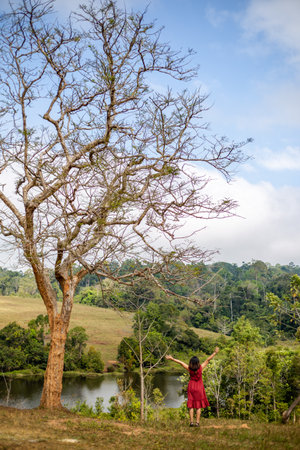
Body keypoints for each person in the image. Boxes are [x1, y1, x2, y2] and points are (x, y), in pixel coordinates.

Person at [165, 347, 219, 427]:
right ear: (198, 363)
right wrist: (215, 352)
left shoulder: (189, 369)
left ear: (191, 363)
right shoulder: (200, 368)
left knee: (191, 405)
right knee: (198, 406)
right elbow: (208, 360)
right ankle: (197, 423)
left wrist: (172, 359)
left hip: (191, 387)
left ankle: (191, 422)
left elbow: (181, 363)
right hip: (199, 387)